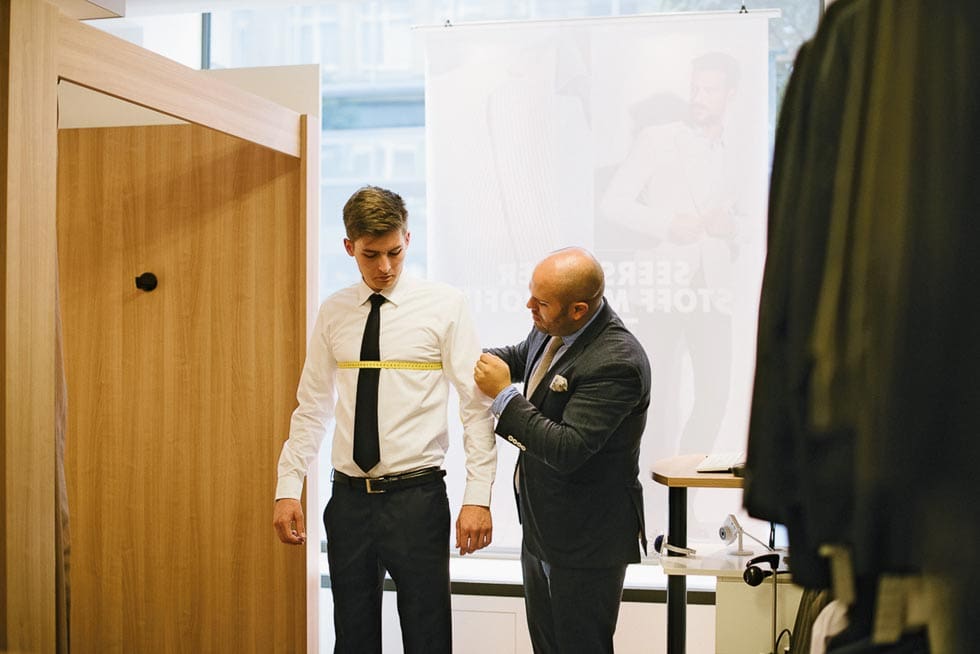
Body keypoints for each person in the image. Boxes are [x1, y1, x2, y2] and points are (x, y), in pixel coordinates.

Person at [273, 185, 496, 654]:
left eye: (395, 252)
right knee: (352, 640)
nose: (385, 267)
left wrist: (478, 497)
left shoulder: (445, 305)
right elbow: (312, 406)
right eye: (371, 255)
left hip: (417, 499)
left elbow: (474, 407)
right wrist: (288, 486)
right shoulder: (333, 311)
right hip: (348, 502)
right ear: (349, 247)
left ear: (408, 239)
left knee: (427, 638)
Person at [473, 247, 650, 654]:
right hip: (541, 529)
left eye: (541, 302)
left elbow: (567, 448)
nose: (529, 306)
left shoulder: (618, 361)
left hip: (586, 541)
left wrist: (503, 396)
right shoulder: (551, 327)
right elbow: (522, 358)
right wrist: (463, 357)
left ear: (578, 309)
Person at [599, 51, 747, 460]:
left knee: (715, 393)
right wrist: (667, 223)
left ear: (730, 94)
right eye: (695, 88)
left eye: (709, 90)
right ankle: (653, 488)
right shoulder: (657, 138)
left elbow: (756, 219)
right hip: (661, 286)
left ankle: (687, 485)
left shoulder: (739, 150)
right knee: (655, 396)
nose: (699, 97)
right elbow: (612, 203)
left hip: (713, 289)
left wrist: (733, 226)